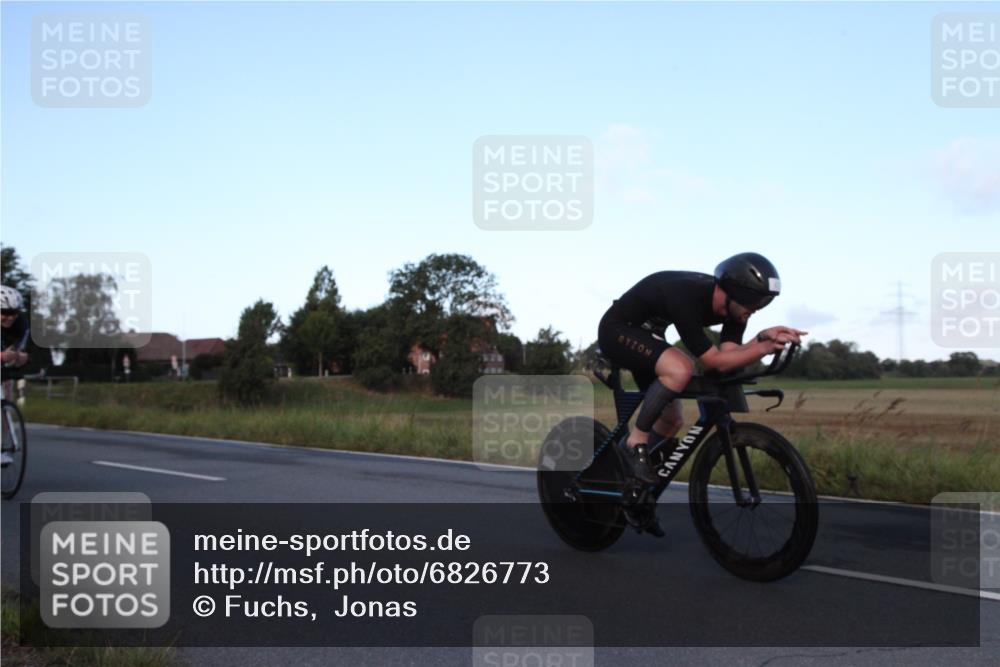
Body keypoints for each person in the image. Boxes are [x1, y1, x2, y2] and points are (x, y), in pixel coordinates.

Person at [598, 253, 806, 487]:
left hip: (649, 335)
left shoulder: (736, 309)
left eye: (764, 302)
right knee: (680, 368)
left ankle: (627, 481)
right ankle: (635, 443)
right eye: (755, 301)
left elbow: (729, 360)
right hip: (617, 331)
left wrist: (761, 340)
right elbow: (713, 362)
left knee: (671, 420)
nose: (756, 309)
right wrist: (762, 348)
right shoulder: (686, 296)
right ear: (732, 292)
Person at [1, 286, 30, 466]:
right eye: (5, 312)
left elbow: (20, 354)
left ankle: (2, 445)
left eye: (14, 312)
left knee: (6, 391)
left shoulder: (21, 324)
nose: (10, 317)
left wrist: (20, 357)